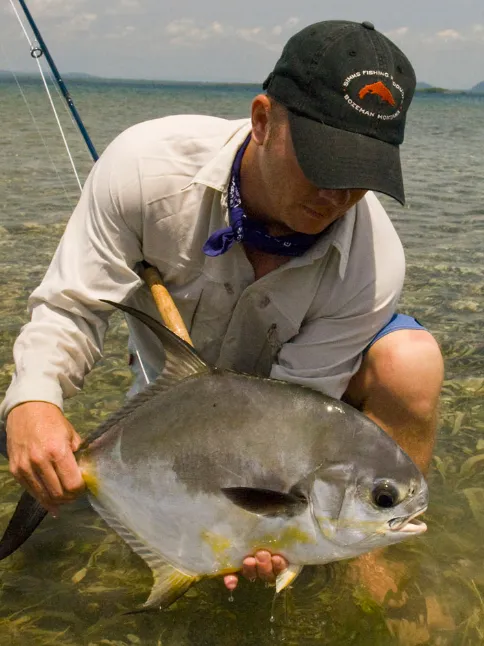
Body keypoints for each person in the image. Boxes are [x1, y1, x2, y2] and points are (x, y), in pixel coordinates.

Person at [0, 20, 443, 593]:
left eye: (362, 176)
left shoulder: (373, 261)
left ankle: (368, 561)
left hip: (281, 421)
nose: (337, 196)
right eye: (323, 162)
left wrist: (261, 531)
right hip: (170, 394)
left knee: (413, 359)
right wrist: (34, 401)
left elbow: (300, 410)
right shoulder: (144, 169)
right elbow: (71, 306)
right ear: (261, 120)